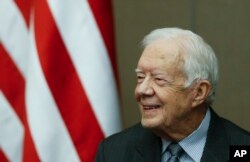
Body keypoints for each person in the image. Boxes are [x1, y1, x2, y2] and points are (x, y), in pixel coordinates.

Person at [95, 27, 250, 162]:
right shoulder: (114, 152)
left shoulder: (242, 150)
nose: (142, 90)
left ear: (199, 92)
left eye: (159, 79)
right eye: (140, 77)